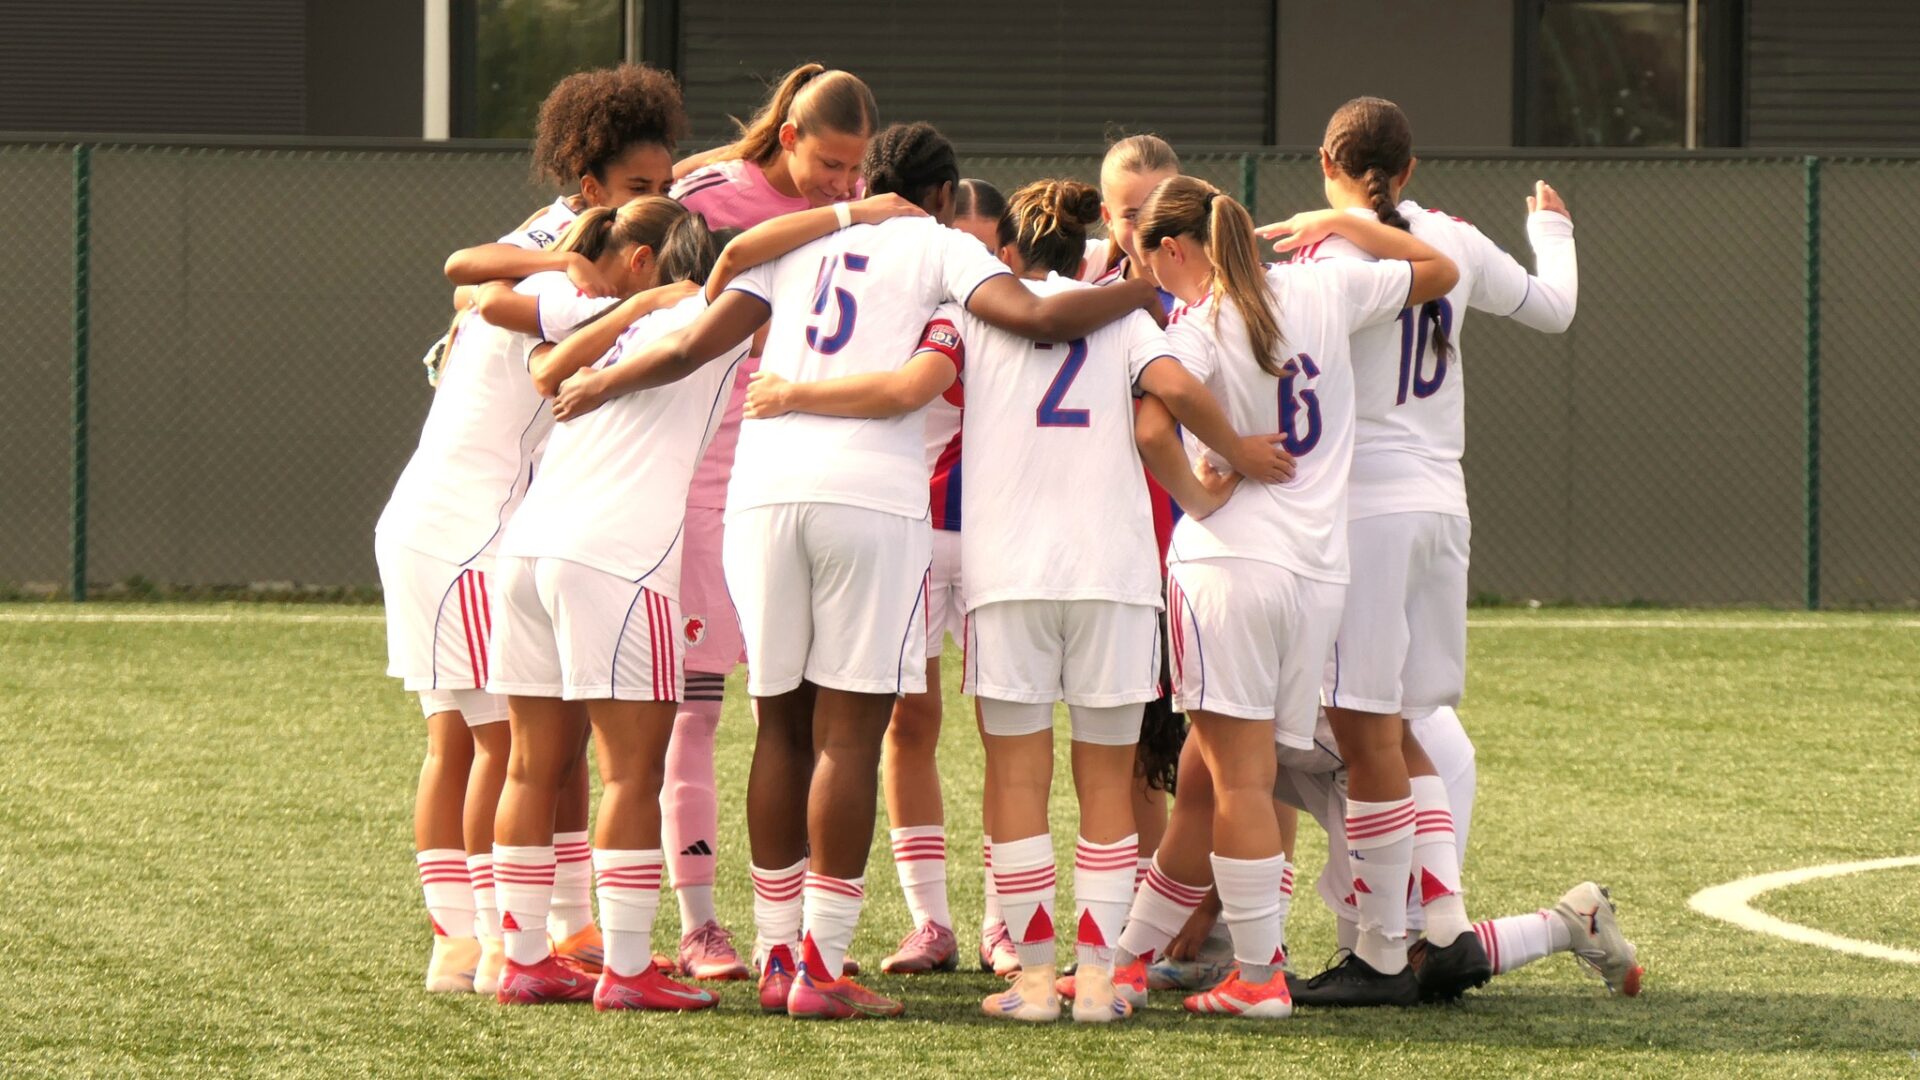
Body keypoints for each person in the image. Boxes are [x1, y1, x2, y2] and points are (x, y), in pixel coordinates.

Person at [549, 121, 1287, 1020]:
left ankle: (803, 957)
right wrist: (1153, 311)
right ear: (946, 201)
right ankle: (1066, 982)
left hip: (822, 512)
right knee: (970, 757)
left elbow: (710, 332)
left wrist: (613, 381)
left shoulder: (813, 248)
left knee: (789, 727)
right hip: (1039, 549)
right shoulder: (976, 274)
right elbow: (1084, 350)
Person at [740, 177, 1289, 1024]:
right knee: (1106, 783)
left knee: (1017, 779)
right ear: (1084, 251)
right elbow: (1173, 395)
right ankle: (1098, 984)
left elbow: (913, 385)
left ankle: (1035, 985)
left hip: (1009, 579)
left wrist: (799, 392)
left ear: (1008, 254)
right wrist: (1235, 457)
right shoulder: (1125, 317)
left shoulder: (968, 315)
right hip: (1114, 574)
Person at [1106, 175, 1458, 1019]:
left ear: (1172, 249)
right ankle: (1127, 958)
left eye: (1145, 260)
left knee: (1239, 781)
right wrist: (1343, 222)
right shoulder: (1322, 285)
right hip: (1315, 578)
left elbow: (1158, 420)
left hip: (1228, 568)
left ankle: (1259, 975)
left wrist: (1215, 474)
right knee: (1208, 778)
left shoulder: (1197, 323)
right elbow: (1437, 269)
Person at [1290, 95, 1580, 1006]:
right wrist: (1552, 230)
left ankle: (1382, 954)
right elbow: (1554, 309)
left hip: (1363, 507)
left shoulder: (1325, 252)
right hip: (1442, 503)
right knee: (1406, 721)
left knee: (1368, 725)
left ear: (1324, 161)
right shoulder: (1449, 237)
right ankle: (1445, 929)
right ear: (1408, 170)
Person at [375, 199, 683, 996]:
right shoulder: (585, 294)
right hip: (469, 529)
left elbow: (469, 286)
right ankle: (482, 946)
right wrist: (620, 294)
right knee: (500, 748)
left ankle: (506, 940)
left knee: (475, 741)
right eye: (645, 180)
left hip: (438, 521)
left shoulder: (540, 248)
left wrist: (542, 267)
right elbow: (472, 286)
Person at [634, 65, 880, 982]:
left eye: (857, 171)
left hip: (802, 485)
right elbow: (628, 260)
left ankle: (806, 935)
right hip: (702, 486)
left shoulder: (865, 214)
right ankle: (699, 926)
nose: (844, 185)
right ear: (787, 139)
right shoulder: (707, 194)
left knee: (809, 716)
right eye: (829, 163)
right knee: (694, 714)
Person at [876, 177, 1012, 978]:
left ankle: (1003, 922)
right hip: (916, 530)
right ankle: (931, 922)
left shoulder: (1023, 306)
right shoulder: (905, 309)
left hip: (1002, 536)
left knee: (1009, 732)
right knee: (910, 720)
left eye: (986, 248)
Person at [444, 63, 688, 296]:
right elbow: (460, 265)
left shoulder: (672, 227)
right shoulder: (565, 227)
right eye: (638, 188)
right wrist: (569, 261)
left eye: (666, 188)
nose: (657, 199)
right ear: (592, 190)